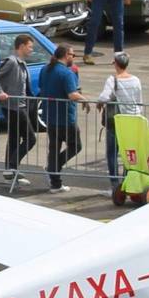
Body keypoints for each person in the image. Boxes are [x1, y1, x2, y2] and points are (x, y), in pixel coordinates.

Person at [96, 51, 146, 191]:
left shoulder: (113, 79)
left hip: (118, 121)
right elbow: (139, 100)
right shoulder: (136, 80)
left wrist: (100, 102)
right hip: (133, 119)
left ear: (116, 64)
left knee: (112, 152)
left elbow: (104, 97)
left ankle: (114, 185)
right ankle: (127, 182)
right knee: (129, 153)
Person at [0, 35, 36, 183]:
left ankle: (10, 172)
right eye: (30, 46)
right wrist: (0, 92)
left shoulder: (23, 64)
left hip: (21, 105)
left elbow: (27, 88)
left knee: (14, 138)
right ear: (22, 46)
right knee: (31, 138)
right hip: (13, 106)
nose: (32, 49)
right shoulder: (11, 61)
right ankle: (11, 167)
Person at [40, 43, 84, 193]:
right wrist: (85, 100)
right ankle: (54, 168)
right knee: (76, 145)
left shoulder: (45, 69)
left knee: (54, 147)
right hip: (65, 117)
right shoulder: (66, 73)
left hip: (49, 115)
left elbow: (41, 87)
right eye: (72, 54)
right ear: (66, 55)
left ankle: (55, 181)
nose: (73, 57)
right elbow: (72, 94)